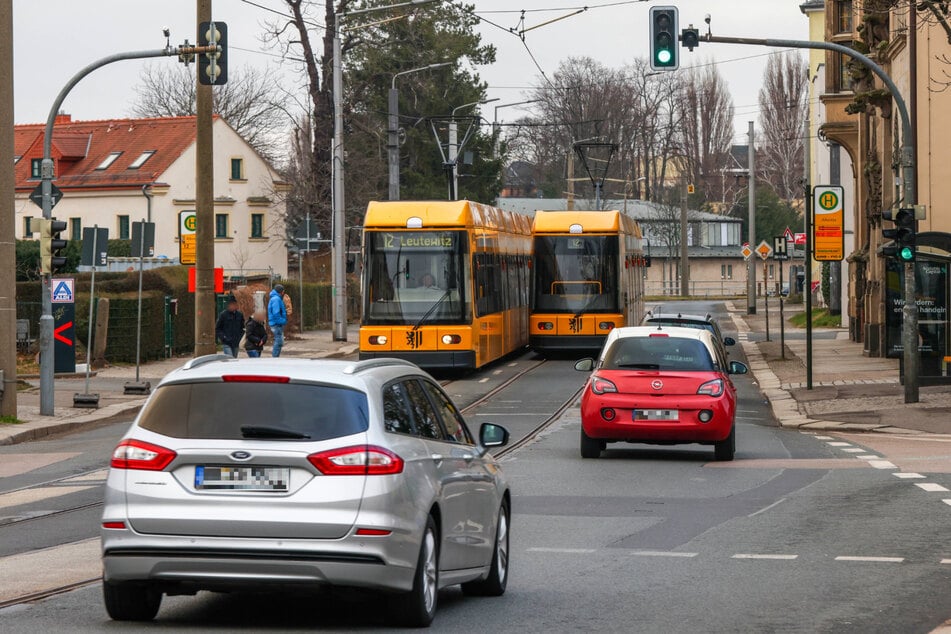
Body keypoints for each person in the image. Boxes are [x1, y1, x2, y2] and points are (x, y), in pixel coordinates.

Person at [268, 284, 288, 357]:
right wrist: (283, 321)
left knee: (279, 341)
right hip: (277, 324)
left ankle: (276, 357)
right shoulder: (276, 299)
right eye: (283, 291)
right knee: (278, 341)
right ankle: (275, 357)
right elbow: (276, 313)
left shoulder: (275, 298)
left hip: (276, 323)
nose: (284, 293)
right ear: (281, 292)